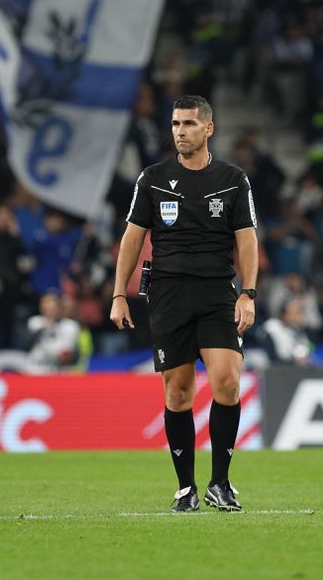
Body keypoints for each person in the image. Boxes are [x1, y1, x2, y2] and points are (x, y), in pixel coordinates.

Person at [110, 94, 259, 513]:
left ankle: (221, 483)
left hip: (216, 293)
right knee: (178, 393)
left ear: (209, 129)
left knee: (227, 381)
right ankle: (185, 488)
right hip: (169, 294)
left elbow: (246, 240)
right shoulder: (153, 178)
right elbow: (132, 240)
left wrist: (248, 293)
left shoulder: (233, 179)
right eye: (175, 124)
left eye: (189, 124)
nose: (180, 131)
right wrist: (119, 294)